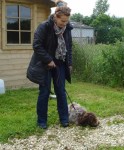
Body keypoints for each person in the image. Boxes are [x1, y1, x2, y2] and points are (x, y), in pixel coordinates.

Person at [27, 0, 73, 129]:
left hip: (60, 63)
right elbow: (36, 45)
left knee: (61, 92)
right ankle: (41, 121)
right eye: (62, 21)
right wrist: (48, 60)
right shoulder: (44, 26)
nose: (65, 23)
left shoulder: (67, 28)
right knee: (44, 92)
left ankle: (64, 119)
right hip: (45, 64)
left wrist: (69, 63)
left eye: (66, 21)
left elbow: (69, 46)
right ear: (55, 17)